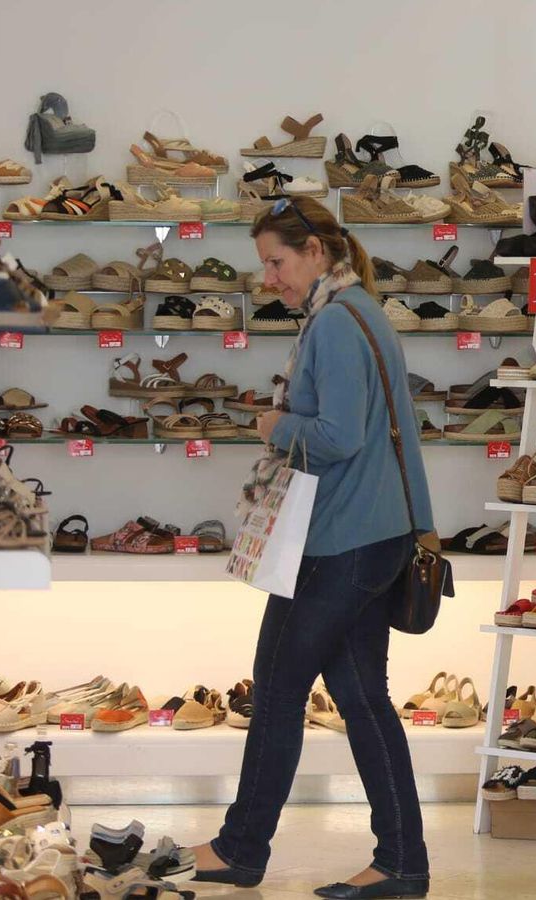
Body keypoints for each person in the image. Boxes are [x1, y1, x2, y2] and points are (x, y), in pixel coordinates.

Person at [190, 196, 435, 900]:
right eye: (264, 265)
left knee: (276, 688)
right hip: (375, 533)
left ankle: (240, 850)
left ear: (316, 253)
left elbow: (338, 437)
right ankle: (402, 862)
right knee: (362, 699)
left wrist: (274, 425)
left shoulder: (334, 324)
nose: (269, 278)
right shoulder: (363, 314)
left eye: (277, 262)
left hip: (338, 541)